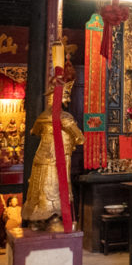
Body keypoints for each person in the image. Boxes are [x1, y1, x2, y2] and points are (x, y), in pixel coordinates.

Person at [22, 84, 84, 232]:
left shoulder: (42, 116)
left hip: (40, 156)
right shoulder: (65, 117)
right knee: (53, 187)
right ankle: (53, 219)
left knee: (38, 187)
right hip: (58, 157)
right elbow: (80, 137)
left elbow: (33, 131)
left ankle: (35, 221)